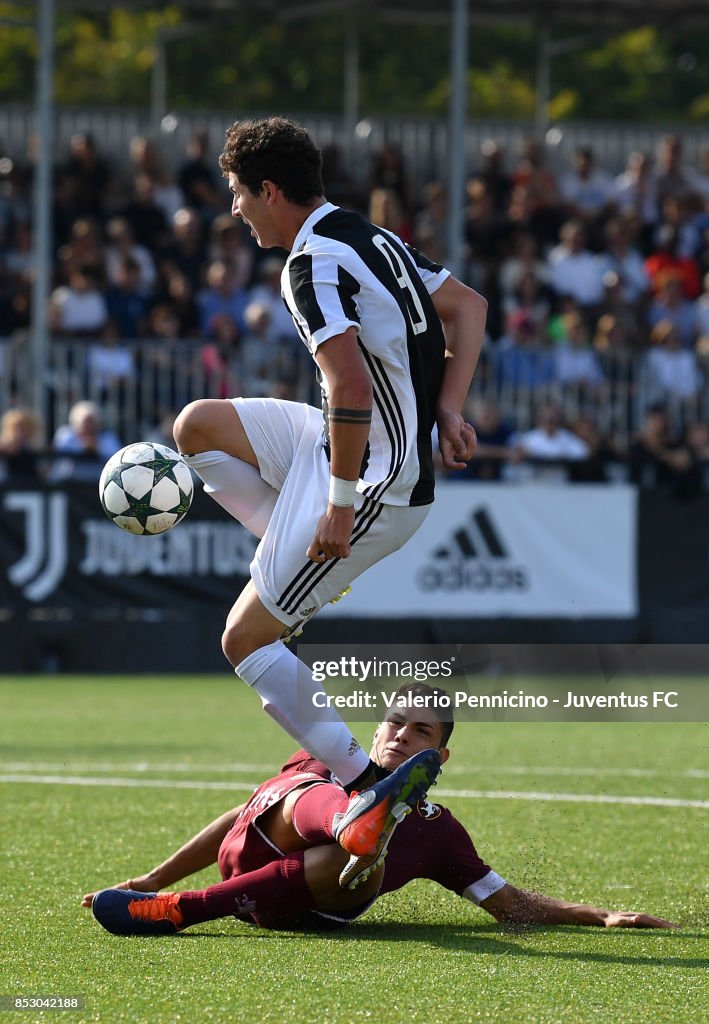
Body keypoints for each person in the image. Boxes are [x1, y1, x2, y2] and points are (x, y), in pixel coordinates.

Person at [171, 116, 487, 884]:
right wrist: (447, 404)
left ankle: (364, 786)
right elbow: (469, 307)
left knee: (244, 641)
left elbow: (348, 384)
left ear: (270, 190)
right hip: (342, 443)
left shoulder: (309, 263)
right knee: (198, 428)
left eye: (240, 196)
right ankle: (303, 566)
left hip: (377, 480)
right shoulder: (366, 234)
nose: (237, 211)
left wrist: (339, 505)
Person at [83, 683, 677, 937]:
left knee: (355, 857)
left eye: (420, 732)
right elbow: (238, 815)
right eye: (395, 721)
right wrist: (153, 874)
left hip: (314, 903)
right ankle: (355, 816)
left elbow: (507, 903)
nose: (401, 734)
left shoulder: (436, 830)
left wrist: (596, 917)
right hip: (251, 859)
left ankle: (175, 912)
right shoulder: (315, 758)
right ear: (376, 727)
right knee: (317, 794)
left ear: (440, 755)